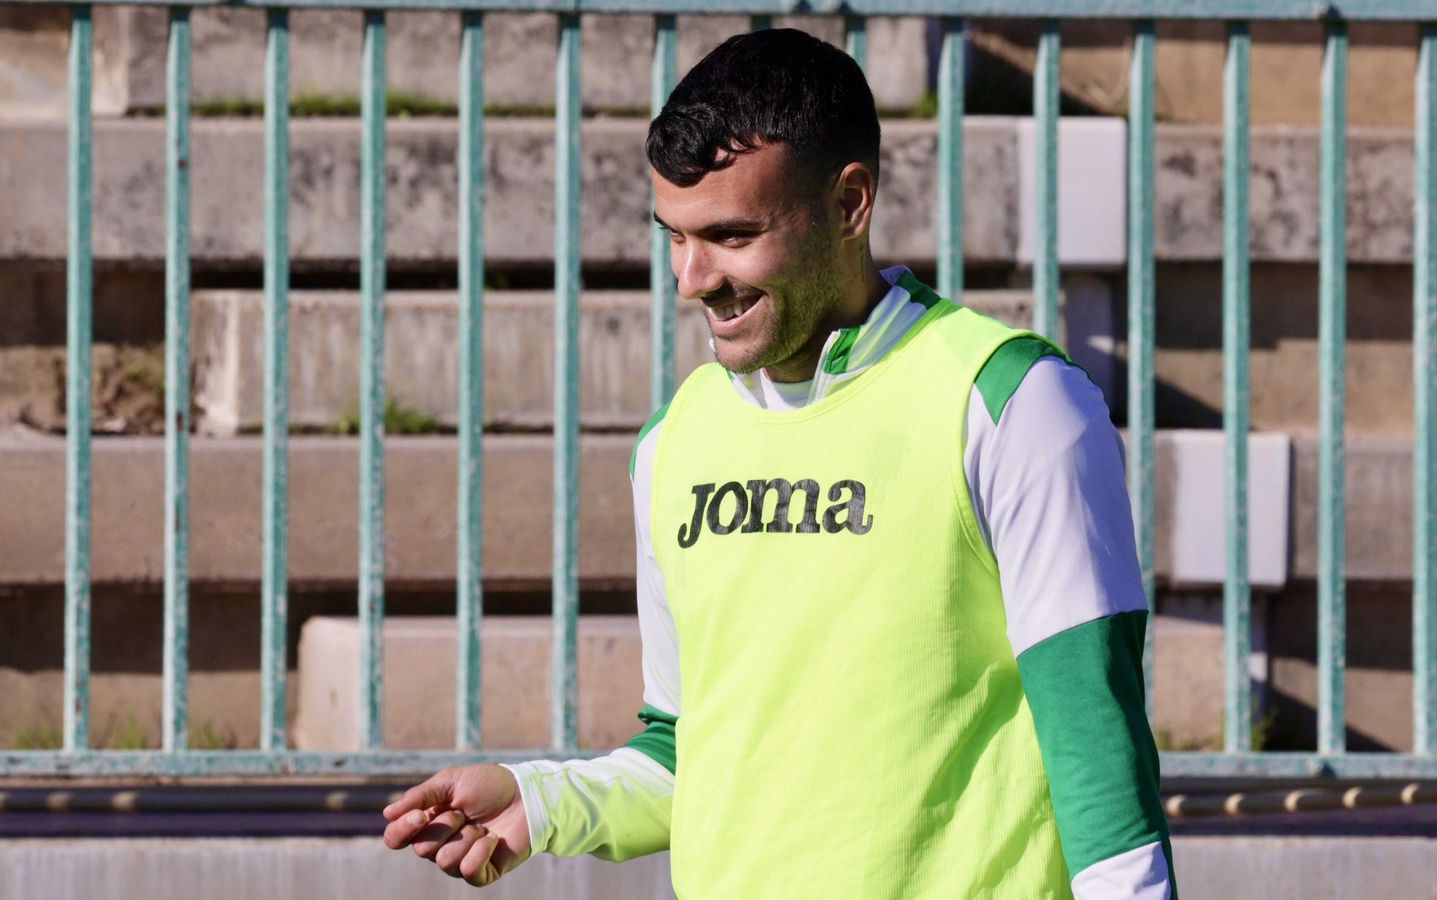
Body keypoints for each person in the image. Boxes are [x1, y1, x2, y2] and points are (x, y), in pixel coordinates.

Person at [383, 27, 1174, 898]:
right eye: (675, 237)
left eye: (730, 235)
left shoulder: (1012, 404)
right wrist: (543, 800)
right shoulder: (675, 442)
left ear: (850, 203)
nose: (692, 278)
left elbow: (1097, 753)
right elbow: (689, 749)